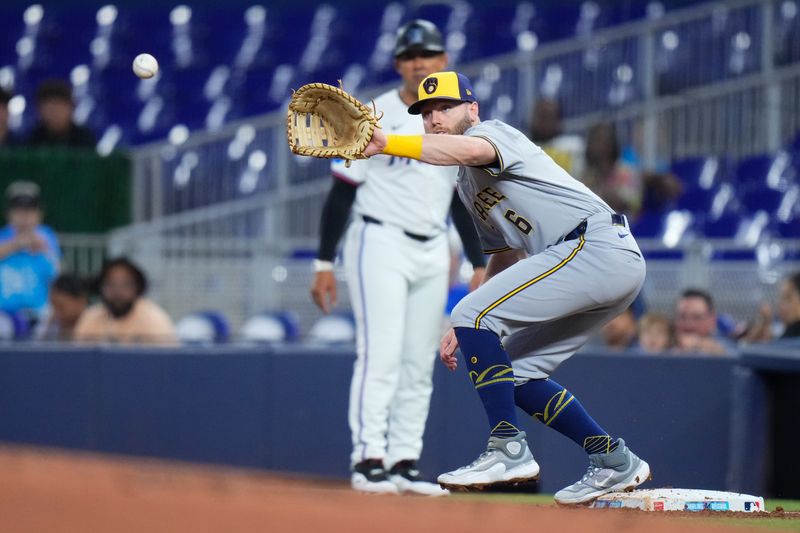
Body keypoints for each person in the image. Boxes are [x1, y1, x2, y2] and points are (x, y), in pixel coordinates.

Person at [362, 71, 651, 504]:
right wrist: (465, 321)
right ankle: (612, 458)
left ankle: (507, 448)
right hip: (596, 261)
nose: (435, 118)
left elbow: (467, 149)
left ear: (472, 109)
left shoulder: (493, 133)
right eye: (425, 112)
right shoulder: (466, 185)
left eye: (445, 106)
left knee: (473, 315)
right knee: (517, 373)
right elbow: (502, 253)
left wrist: (388, 143)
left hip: (592, 245)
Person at [309, 20, 486, 496]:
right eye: (409, 56)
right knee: (380, 353)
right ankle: (369, 459)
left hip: (433, 248)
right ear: (398, 65)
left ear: (442, 61)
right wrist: (323, 263)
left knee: (417, 360)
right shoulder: (373, 113)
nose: (418, 62)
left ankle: (405, 462)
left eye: (427, 54)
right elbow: (342, 193)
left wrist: (478, 262)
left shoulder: (447, 118)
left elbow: (457, 197)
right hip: (379, 241)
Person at [74, 257, 177, 345]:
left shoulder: (154, 318)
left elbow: (167, 362)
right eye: (111, 284)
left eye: (126, 284)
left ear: (138, 287)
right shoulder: (91, 316)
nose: (118, 292)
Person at [0, 181, 60, 322]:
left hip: (39, 312)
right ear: (9, 213)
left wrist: (44, 249)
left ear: (39, 214)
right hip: (4, 313)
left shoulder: (46, 236)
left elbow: (57, 272)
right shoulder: (2, 236)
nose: (24, 216)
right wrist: (17, 244)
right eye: (19, 210)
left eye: (30, 210)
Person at [26, 79, 95, 148]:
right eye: (50, 109)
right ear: (40, 110)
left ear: (70, 108)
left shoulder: (84, 139)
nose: (55, 114)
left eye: (59, 108)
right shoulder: (32, 140)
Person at [528, 98, 584, 178]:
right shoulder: (522, 146)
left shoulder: (572, 147)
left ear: (558, 120)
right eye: (541, 116)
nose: (544, 123)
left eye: (549, 117)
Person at [673, 288, 734, 355]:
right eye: (682, 317)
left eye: (697, 317)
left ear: (712, 320)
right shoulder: (665, 342)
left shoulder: (726, 343)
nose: (689, 324)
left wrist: (699, 343)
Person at [34, 273, 89, 341]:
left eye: (61, 307)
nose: (56, 313)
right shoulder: (51, 324)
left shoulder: (94, 324)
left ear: (80, 301)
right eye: (53, 306)